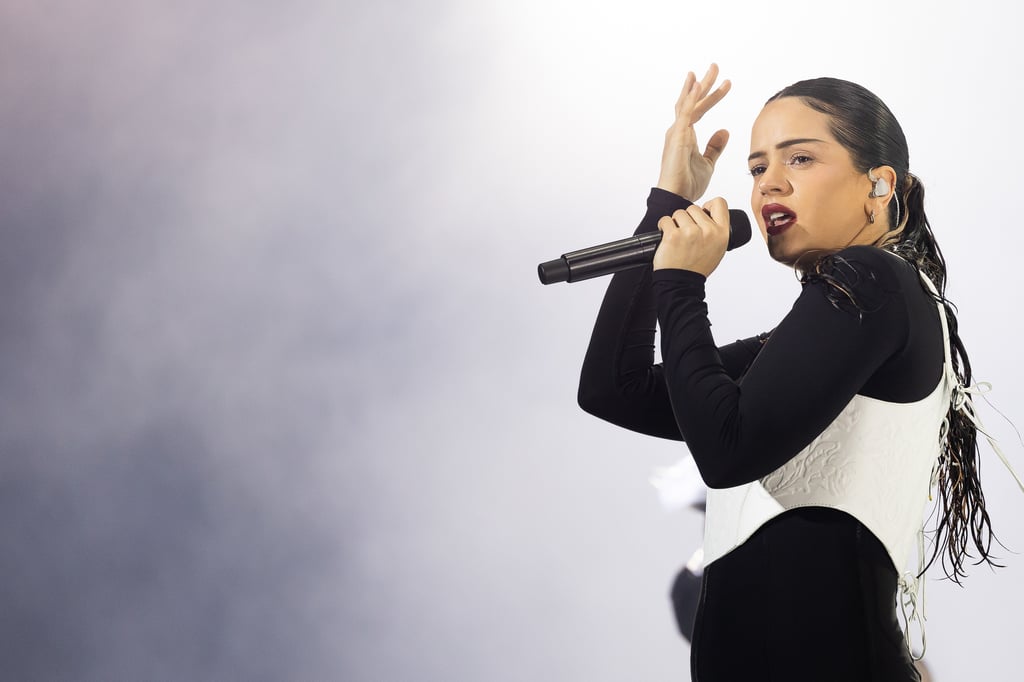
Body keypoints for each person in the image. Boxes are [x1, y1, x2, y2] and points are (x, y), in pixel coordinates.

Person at [577, 65, 1002, 680]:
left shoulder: (872, 281)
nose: (768, 184)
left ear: (880, 184)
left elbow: (728, 451)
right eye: (755, 169)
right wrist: (666, 209)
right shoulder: (827, 326)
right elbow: (615, 390)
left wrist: (681, 284)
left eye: (799, 160)